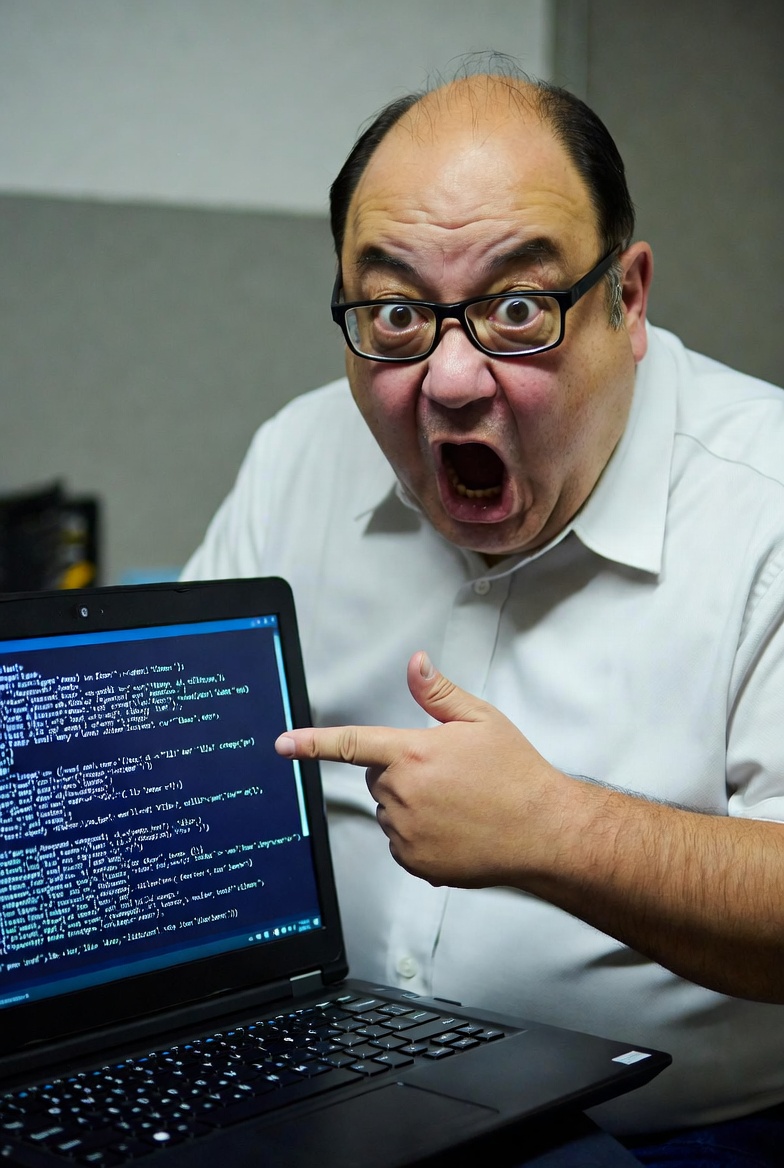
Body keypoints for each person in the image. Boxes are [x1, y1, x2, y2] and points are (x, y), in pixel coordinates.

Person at [182, 68, 784, 1163]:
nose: (452, 380)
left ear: (628, 298)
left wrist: (553, 831)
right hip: (319, 1095)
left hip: (678, 1133)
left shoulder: (766, 501)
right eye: (396, 313)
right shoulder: (296, 457)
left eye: (517, 307)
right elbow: (183, 764)